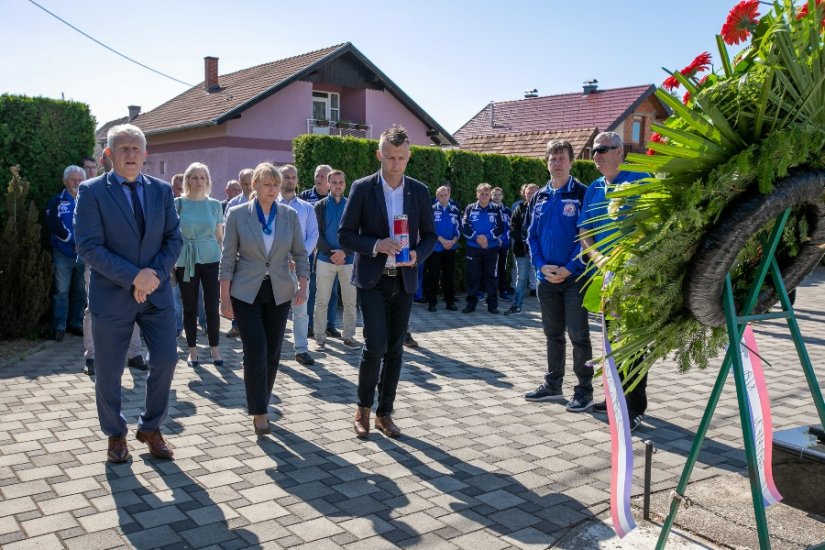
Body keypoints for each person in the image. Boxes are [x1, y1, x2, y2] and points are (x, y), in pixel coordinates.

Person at [74, 123, 182, 463]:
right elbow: (89, 247)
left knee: (166, 358)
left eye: (136, 148)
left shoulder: (162, 191)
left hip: (157, 294)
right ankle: (115, 434)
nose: (131, 154)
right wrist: (134, 277)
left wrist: (153, 276)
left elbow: (173, 240)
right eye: (123, 148)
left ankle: (151, 427)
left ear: (146, 154)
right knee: (109, 370)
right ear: (108, 154)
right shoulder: (91, 192)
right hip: (113, 295)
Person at [339, 125, 436, 438]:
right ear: (379, 154)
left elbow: (431, 236)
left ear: (409, 157)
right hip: (373, 279)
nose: (396, 163)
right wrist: (375, 244)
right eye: (391, 157)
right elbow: (345, 234)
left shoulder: (418, 191)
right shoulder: (363, 188)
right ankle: (363, 408)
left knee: (396, 349)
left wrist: (417, 255)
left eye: (402, 157)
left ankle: (385, 413)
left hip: (404, 279)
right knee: (375, 345)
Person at [219, 162, 309, 435]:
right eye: (267, 184)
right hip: (246, 292)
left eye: (276, 185)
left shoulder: (289, 215)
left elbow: (301, 254)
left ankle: (263, 403)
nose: (272, 190)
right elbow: (227, 258)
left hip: (279, 292)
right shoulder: (237, 214)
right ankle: (259, 411)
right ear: (255, 185)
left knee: (272, 352)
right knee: (255, 349)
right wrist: (224, 299)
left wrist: (303, 286)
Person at [579, 131, 648, 431]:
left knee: (632, 344)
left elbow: (655, 224)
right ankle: (613, 398)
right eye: (594, 150)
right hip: (605, 277)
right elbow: (585, 232)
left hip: (635, 277)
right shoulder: (594, 188)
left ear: (620, 151)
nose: (597, 154)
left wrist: (627, 261)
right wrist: (599, 260)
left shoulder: (639, 179)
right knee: (609, 343)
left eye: (604, 149)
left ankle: (634, 407)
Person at [524, 139, 593, 413]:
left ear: (571, 161)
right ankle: (553, 386)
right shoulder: (540, 195)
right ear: (546, 162)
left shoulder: (581, 193)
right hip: (546, 278)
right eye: (552, 158)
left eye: (562, 157)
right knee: (552, 335)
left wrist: (569, 267)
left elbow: (586, 236)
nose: (557, 162)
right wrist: (540, 265)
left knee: (579, 336)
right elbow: (531, 236)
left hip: (573, 277)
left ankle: (584, 391)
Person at [80, 153, 147, 376]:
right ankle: (92, 355)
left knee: (136, 303)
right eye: (117, 151)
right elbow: (87, 237)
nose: (125, 155)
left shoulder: (140, 187)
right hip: (100, 264)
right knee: (94, 309)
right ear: (105, 158)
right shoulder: (93, 190)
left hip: (133, 265)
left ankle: (135, 352)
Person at [175, 162, 224, 367]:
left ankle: (215, 349)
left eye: (202, 177)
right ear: (187, 180)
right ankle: (192, 351)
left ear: (207, 180)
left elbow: (220, 236)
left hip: (211, 259)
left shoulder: (215, 205)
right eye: (194, 177)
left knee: (212, 306)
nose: (198, 181)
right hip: (186, 259)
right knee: (189, 307)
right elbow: (171, 235)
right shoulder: (178, 203)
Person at [277, 164, 319, 365]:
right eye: (286, 177)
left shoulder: (306, 208)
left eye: (294, 177)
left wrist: (299, 256)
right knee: (275, 309)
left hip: (299, 266)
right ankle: (273, 349)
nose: (290, 181)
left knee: (301, 310)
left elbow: (313, 235)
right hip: (274, 266)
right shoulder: (269, 204)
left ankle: (301, 349)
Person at [313, 169, 359, 348]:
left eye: (341, 182)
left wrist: (344, 252)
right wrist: (332, 254)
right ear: (328, 184)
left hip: (348, 260)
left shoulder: (352, 206)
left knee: (350, 301)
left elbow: (357, 233)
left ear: (345, 184)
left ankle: (348, 336)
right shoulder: (320, 206)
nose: (337, 186)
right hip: (325, 259)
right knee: (322, 300)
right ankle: (319, 337)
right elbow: (316, 234)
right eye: (334, 182)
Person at [46, 165, 87, 341]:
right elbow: (53, 224)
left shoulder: (89, 200)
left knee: (80, 291)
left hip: (84, 254)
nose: (77, 183)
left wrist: (83, 243)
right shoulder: (57, 201)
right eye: (73, 179)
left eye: (80, 180)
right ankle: (59, 326)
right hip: (63, 254)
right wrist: (72, 241)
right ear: (65, 181)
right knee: (61, 291)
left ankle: (75, 324)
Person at [301, 164, 340, 339]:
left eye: (323, 176)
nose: (318, 178)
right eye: (317, 175)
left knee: (332, 291)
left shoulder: (337, 200)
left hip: (331, 253)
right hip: (310, 252)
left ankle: (330, 325)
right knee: (312, 289)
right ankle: (309, 326)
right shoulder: (304, 197)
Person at [461, 183, 506, 314]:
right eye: (482, 193)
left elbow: (501, 227)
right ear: (477, 194)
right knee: (472, 276)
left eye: (487, 194)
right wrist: (477, 238)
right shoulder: (470, 208)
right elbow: (464, 225)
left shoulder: (496, 209)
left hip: (491, 249)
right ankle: (471, 304)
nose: (484, 196)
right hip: (473, 248)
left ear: (490, 195)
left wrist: (487, 238)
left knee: (491, 277)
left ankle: (492, 305)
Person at [424, 185, 460, 311]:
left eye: (445, 194)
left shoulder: (455, 210)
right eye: (440, 195)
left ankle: (450, 302)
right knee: (433, 276)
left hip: (451, 247)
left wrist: (454, 240)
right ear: (437, 196)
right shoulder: (432, 209)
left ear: (449, 195)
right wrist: (442, 240)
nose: (443, 197)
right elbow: (429, 228)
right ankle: (432, 302)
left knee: (449, 276)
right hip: (435, 248)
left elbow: (458, 228)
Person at [505, 183, 540, 315]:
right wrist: (522, 240)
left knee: (541, 279)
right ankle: (516, 305)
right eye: (528, 192)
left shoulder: (544, 207)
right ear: (524, 194)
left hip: (539, 251)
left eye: (533, 192)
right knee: (521, 278)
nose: (530, 194)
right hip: (522, 250)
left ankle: (547, 309)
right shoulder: (519, 208)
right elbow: (513, 227)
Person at [491, 186, 514, 302]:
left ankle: (503, 291)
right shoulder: (488, 209)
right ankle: (489, 291)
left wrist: (502, 238)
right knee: (490, 268)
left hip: (504, 244)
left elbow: (510, 227)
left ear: (502, 197)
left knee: (502, 268)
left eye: (498, 195)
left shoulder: (507, 210)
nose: (496, 196)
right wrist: (496, 239)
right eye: (494, 194)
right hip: (491, 244)